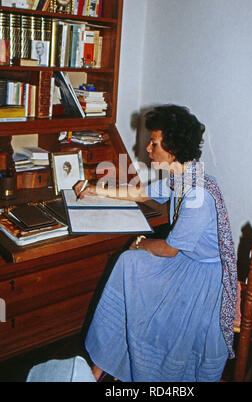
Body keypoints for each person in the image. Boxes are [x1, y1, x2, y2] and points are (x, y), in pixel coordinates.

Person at [74, 104, 237, 382]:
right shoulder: (184, 176)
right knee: (128, 265)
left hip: (203, 279)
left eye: (154, 143)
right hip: (187, 262)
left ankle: (118, 360)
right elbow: (141, 192)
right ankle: (106, 360)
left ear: (172, 149)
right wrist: (95, 189)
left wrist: (139, 244)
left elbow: (170, 249)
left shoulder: (197, 195)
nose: (148, 148)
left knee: (130, 263)